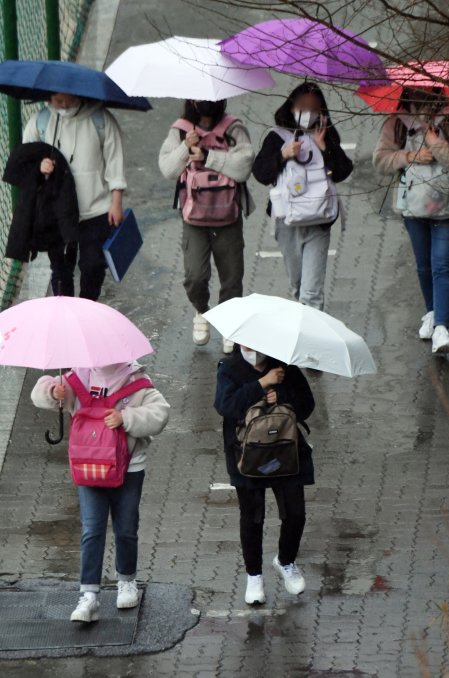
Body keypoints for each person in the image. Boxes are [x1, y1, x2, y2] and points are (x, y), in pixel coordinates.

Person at [31, 361, 170, 622]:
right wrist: (52, 392)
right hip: (90, 467)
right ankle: (89, 595)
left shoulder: (136, 382)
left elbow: (160, 413)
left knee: (126, 527)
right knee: (92, 529)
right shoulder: (77, 378)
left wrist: (126, 418)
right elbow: (39, 393)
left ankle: (127, 580)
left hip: (128, 467)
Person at [372, 87, 449, 354]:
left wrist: (436, 145)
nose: (422, 97)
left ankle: (441, 327)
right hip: (413, 206)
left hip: (448, 205)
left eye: (428, 91)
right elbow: (380, 160)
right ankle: (431, 312)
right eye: (417, 92)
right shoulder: (397, 122)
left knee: (442, 265)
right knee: (423, 266)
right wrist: (409, 156)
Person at [214, 344, 315, 605]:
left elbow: (306, 404)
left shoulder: (285, 367)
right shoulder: (229, 369)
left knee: (295, 513)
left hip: (286, 452)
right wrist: (260, 385)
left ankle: (285, 561)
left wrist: (280, 394)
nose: (253, 348)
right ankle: (254, 575)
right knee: (252, 517)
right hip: (247, 457)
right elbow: (225, 406)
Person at [159, 99, 254, 352]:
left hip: (228, 217)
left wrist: (208, 156)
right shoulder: (180, 130)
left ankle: (230, 325)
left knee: (232, 278)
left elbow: (244, 167)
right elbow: (167, 170)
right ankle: (202, 311)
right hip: (194, 218)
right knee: (195, 276)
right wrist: (184, 148)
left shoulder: (234, 129)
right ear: (191, 101)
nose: (206, 103)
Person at [253, 82, 353, 311]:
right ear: (290, 106)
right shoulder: (277, 137)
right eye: (302, 106)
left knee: (311, 293)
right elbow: (260, 173)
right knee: (299, 286)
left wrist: (324, 146)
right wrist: (283, 155)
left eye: (313, 107)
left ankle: (311, 344)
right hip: (287, 222)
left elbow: (343, 171)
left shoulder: (327, 134)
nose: (307, 112)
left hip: (319, 220)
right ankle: (304, 328)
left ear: (322, 111)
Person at [22, 92, 126, 300]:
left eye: (69, 100)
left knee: (93, 266)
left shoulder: (101, 120)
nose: (64, 105)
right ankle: (65, 314)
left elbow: (115, 162)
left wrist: (116, 202)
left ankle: (87, 307)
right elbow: (24, 160)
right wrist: (39, 167)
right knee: (60, 270)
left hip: (96, 209)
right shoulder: (40, 122)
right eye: (58, 101)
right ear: (49, 98)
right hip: (56, 211)